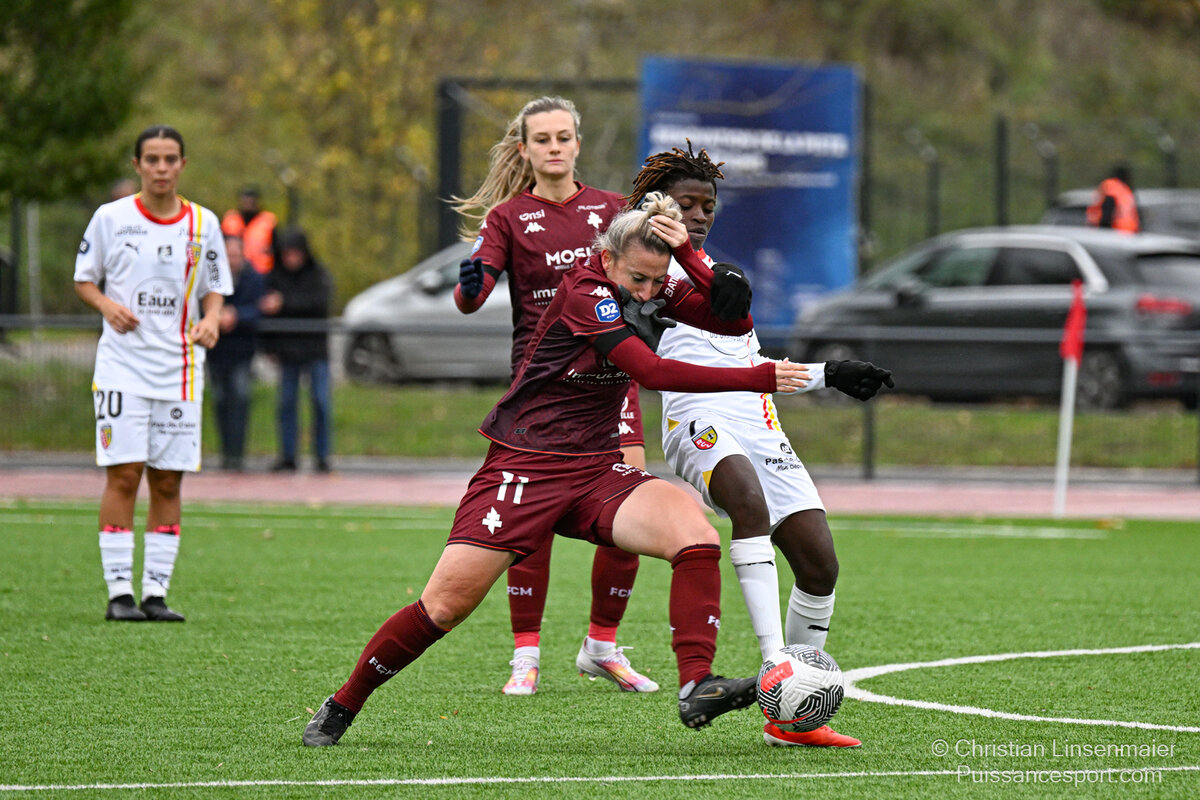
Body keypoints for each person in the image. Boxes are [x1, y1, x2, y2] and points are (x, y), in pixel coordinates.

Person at [303, 193, 812, 747]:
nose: (648, 292)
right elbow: (651, 370)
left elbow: (734, 324)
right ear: (609, 258)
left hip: (596, 468)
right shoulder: (585, 291)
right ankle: (343, 702)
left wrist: (689, 258)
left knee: (695, 535)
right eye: (638, 280)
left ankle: (696, 684)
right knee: (445, 607)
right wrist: (761, 377)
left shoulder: (651, 279)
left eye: (656, 280)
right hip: (526, 465)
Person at [627, 142, 893, 748]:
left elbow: (743, 345)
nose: (698, 215)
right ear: (657, 204)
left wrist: (827, 374)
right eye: (686, 203)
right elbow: (718, 311)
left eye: (707, 206)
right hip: (697, 417)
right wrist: (679, 258)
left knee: (820, 562)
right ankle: (777, 666)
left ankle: (791, 718)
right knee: (746, 503)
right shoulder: (646, 267)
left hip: (758, 418)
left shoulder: (706, 266)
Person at [451, 96, 654, 696]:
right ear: (525, 149)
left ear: (578, 143)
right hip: (541, 388)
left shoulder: (613, 210)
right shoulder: (508, 217)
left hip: (611, 379)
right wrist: (469, 286)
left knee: (632, 502)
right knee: (530, 520)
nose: (555, 147)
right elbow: (471, 298)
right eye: (542, 139)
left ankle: (602, 646)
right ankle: (526, 654)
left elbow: (653, 278)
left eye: (564, 136)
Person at [73, 124, 232, 622]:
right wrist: (107, 306)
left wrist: (211, 318)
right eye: (152, 159)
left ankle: (156, 594)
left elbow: (214, 287)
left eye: (170, 159)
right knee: (124, 474)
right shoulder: (111, 218)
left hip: (180, 370)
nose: (161, 168)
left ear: (182, 164)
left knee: (167, 481)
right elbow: (84, 279)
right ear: (137, 164)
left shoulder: (203, 223)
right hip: (122, 368)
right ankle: (120, 593)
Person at [259, 225, 334, 473]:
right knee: (287, 404)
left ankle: (322, 456)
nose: (291, 259)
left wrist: (284, 303)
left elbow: (318, 303)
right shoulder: (275, 276)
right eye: (287, 254)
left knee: (321, 402)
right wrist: (269, 346)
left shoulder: (318, 274)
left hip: (315, 350)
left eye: (295, 253)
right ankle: (288, 455)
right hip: (288, 351)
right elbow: (266, 314)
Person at [206, 234, 266, 471]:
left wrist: (236, 316)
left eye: (235, 254)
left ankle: (237, 454)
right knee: (220, 400)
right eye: (228, 255)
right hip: (217, 350)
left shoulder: (254, 279)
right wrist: (216, 317)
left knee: (240, 398)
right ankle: (225, 453)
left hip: (242, 350)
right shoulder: (210, 276)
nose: (232, 259)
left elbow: (260, 309)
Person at [221, 186, 277, 273]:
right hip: (232, 270)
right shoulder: (230, 220)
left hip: (261, 271)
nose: (248, 204)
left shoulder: (268, 222)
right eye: (246, 200)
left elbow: (276, 248)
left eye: (251, 201)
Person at [1086, 163, 1140, 233]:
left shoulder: (1111, 186)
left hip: (1115, 232)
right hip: (1130, 232)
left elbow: (1108, 209)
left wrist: (1103, 231)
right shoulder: (1127, 191)